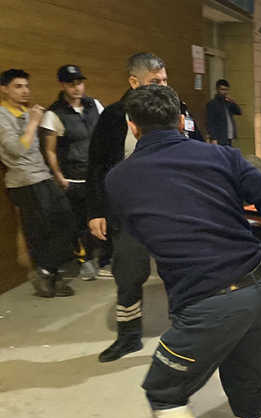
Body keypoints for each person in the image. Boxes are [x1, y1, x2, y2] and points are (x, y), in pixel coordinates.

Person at [106, 84, 261, 418]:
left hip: (206, 303)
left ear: (132, 126)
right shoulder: (223, 157)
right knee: (247, 389)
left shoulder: (118, 179)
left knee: (164, 392)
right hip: (258, 291)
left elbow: (137, 236)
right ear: (181, 121)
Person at [86, 52, 168, 363]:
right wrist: (96, 211)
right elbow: (96, 166)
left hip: (170, 209)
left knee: (179, 271)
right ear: (134, 82)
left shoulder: (176, 108)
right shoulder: (113, 117)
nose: (162, 86)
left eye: (164, 80)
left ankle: (188, 330)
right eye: (155, 81)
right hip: (127, 211)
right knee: (129, 275)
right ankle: (129, 335)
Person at [0, 69, 76, 297]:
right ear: (4, 89)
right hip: (24, 181)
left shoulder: (26, 111)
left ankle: (52, 270)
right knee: (40, 228)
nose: (25, 91)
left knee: (64, 219)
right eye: (18, 86)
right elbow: (16, 149)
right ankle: (45, 273)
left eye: (26, 86)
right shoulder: (3, 115)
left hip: (42, 176)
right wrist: (33, 122)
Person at [40, 65, 105, 282]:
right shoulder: (54, 113)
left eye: (79, 83)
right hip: (74, 177)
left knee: (103, 215)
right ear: (62, 85)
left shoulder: (94, 105)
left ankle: (105, 256)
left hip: (98, 173)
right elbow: (50, 150)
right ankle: (84, 260)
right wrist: (58, 175)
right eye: (71, 84)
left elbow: (105, 133)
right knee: (79, 222)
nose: (77, 88)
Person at [206, 79, 242, 147]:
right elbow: (210, 122)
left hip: (229, 137)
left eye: (226, 90)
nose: (225, 92)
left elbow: (239, 112)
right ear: (217, 90)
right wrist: (213, 137)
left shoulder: (228, 103)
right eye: (222, 89)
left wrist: (232, 102)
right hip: (220, 137)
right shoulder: (213, 104)